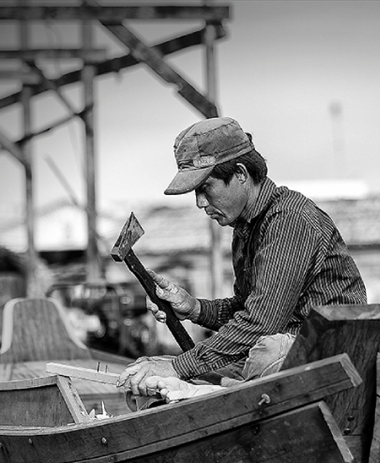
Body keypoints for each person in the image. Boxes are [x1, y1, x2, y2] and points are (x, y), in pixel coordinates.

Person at [118, 116, 367, 399]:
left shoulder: (290, 221)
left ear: (240, 174)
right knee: (153, 384)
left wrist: (178, 367)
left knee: (263, 354)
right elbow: (245, 309)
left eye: (206, 188)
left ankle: (212, 392)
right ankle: (213, 391)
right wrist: (194, 308)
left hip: (333, 363)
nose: (200, 202)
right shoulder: (246, 227)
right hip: (287, 359)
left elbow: (260, 322)